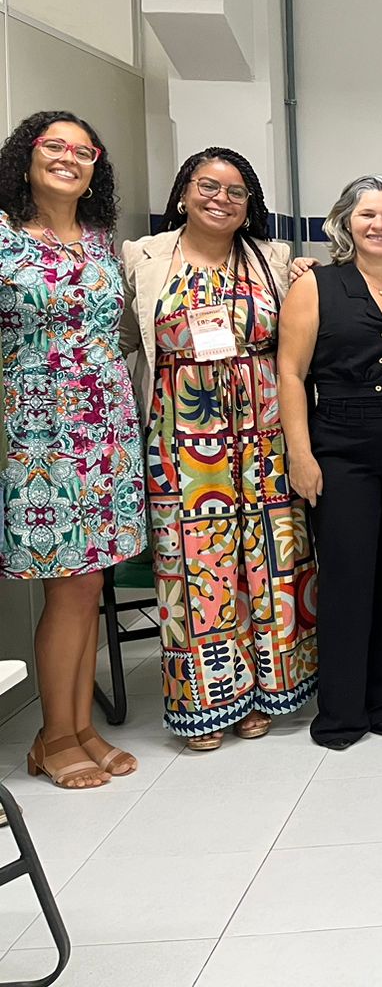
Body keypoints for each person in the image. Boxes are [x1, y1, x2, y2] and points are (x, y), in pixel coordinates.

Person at [122, 147, 317, 750]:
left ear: (249, 205)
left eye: (236, 192)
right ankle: (207, 703)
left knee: (270, 561)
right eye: (208, 186)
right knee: (195, 566)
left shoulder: (273, 259)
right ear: (184, 192)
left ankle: (264, 693)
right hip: (179, 433)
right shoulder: (143, 257)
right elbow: (124, 337)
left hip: (264, 429)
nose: (221, 199)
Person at [0, 111, 145, 789]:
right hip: (40, 436)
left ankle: (79, 727)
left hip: (106, 432)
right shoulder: (4, 238)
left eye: (83, 151)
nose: (68, 158)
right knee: (68, 584)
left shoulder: (97, 241)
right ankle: (54, 737)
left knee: (90, 583)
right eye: (53, 146)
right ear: (25, 158)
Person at [279, 176, 382, 749]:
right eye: (368, 214)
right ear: (346, 221)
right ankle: (342, 712)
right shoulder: (316, 285)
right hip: (342, 443)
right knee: (348, 577)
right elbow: (291, 374)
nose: (379, 224)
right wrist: (300, 454)